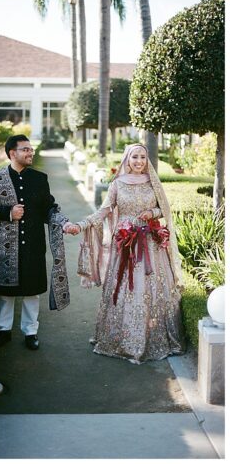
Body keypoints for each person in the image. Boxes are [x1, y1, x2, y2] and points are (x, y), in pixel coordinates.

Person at [75, 144, 185, 363]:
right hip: (125, 244)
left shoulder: (152, 182)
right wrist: (83, 224)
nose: (139, 161)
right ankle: (120, 338)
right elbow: (105, 210)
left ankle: (151, 337)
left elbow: (164, 208)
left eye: (143, 157)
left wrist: (151, 212)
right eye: (135, 156)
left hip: (150, 245)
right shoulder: (118, 184)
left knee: (151, 286)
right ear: (127, 159)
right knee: (124, 286)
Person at [0, 134, 79, 351]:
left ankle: (30, 332)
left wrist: (63, 222)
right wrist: (7, 212)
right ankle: (3, 331)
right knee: (5, 292)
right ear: (12, 153)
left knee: (32, 291)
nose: (30, 152)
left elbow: (48, 207)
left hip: (33, 242)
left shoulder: (39, 179)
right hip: (5, 244)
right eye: (25, 149)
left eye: (31, 149)